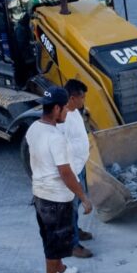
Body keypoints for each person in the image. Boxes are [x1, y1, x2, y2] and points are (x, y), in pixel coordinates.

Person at [25, 84, 93, 273]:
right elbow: (66, 173)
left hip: (41, 195)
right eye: (64, 108)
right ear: (56, 109)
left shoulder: (34, 128)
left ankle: (61, 270)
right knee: (55, 243)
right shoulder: (56, 138)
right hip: (55, 199)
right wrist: (83, 197)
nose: (67, 111)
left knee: (49, 237)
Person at [61, 78, 94, 259]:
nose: (84, 101)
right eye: (82, 97)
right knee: (71, 208)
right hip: (72, 171)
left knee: (76, 205)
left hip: (80, 166)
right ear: (72, 98)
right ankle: (72, 244)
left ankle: (75, 229)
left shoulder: (75, 111)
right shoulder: (63, 118)